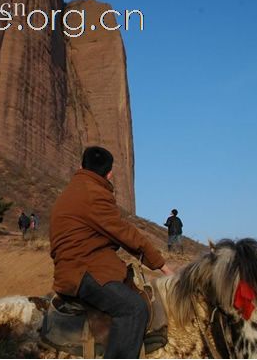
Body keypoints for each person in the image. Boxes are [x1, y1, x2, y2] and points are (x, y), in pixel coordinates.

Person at [49, 146, 173, 358]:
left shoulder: (72, 191)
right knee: (134, 309)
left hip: (72, 268)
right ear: (109, 173)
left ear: (81, 166)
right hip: (84, 272)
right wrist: (162, 265)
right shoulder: (94, 194)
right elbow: (125, 233)